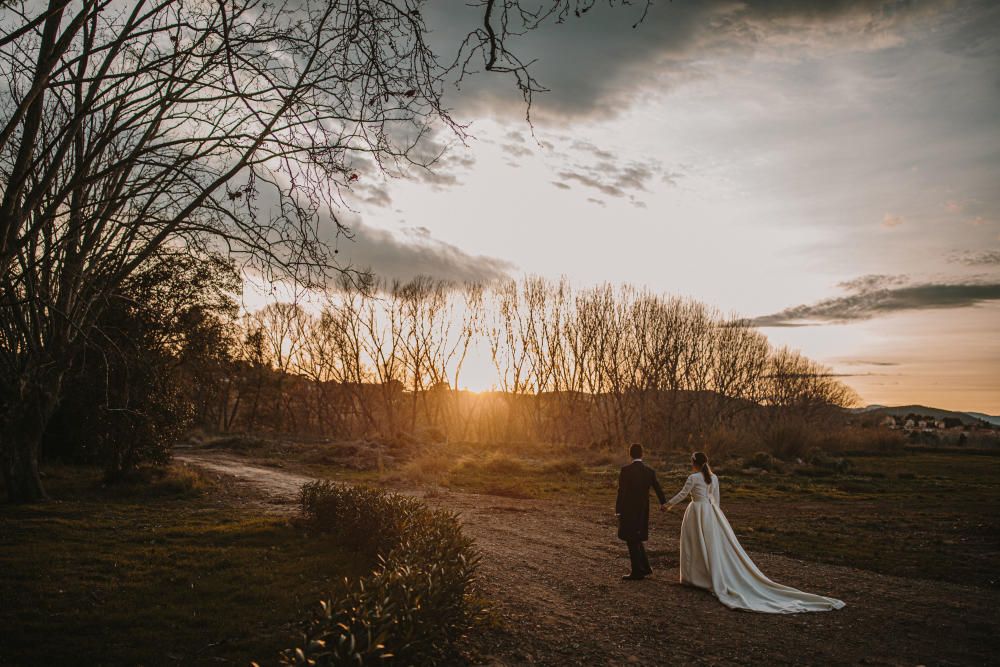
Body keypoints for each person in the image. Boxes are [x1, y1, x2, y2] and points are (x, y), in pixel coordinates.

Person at [665, 451, 845, 613]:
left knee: (694, 543)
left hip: (696, 511)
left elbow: (683, 494)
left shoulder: (692, 477)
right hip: (710, 513)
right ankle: (704, 576)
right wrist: (716, 517)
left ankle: (695, 577)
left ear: (693, 463)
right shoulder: (714, 478)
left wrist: (668, 505)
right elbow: (716, 500)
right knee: (711, 546)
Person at [615, 443, 666, 581]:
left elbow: (622, 491)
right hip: (643, 510)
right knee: (636, 537)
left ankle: (637, 572)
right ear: (642, 454)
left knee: (631, 539)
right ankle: (645, 568)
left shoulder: (626, 470)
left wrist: (618, 509)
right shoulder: (649, 471)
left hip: (628, 509)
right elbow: (657, 488)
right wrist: (664, 503)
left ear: (630, 454)